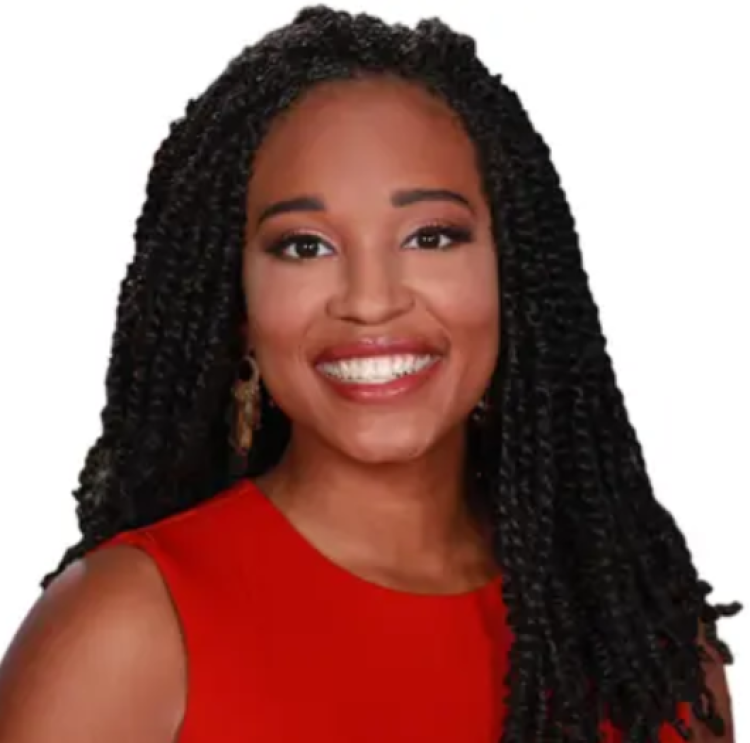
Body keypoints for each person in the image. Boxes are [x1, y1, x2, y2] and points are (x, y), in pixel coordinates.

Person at [0, 6, 739, 742]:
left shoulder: (642, 640)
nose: (370, 299)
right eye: (304, 246)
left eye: (431, 236)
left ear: (515, 274)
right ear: (238, 305)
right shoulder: (125, 632)